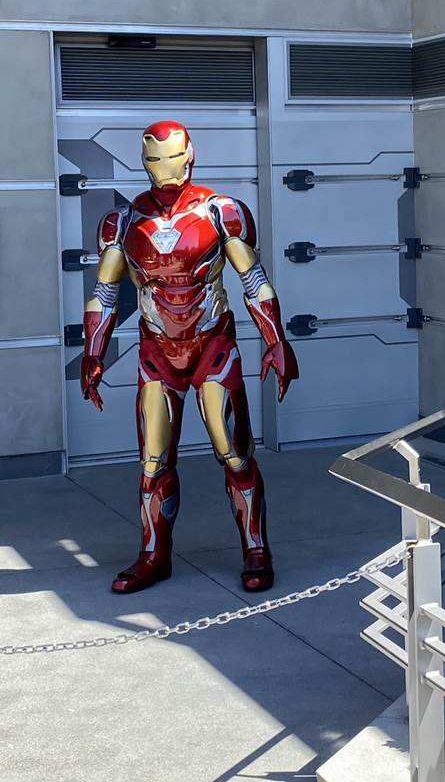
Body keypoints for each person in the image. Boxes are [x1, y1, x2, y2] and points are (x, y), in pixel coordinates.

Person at [80, 120, 298, 594]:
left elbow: (254, 280)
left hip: (211, 346)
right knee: (153, 462)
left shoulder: (221, 212)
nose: (166, 168)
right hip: (158, 351)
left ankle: (256, 549)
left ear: (189, 155)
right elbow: (104, 292)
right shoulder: (122, 223)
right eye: (156, 159)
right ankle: (153, 555)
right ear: (144, 161)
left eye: (173, 157)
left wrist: (277, 340)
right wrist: (93, 352)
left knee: (234, 453)